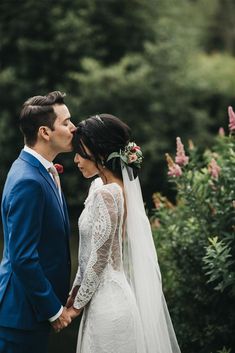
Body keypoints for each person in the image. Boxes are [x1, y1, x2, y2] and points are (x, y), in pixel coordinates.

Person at [66, 113, 181, 353]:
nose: (76, 159)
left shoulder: (107, 194)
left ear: (98, 150)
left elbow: (98, 258)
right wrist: (75, 291)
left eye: (80, 151)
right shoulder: (102, 187)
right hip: (101, 298)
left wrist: (75, 307)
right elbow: (87, 252)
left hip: (110, 305)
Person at [0, 91, 76, 353]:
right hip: (21, 315)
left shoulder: (39, 170)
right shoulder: (28, 181)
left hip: (31, 313)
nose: (73, 128)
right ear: (45, 132)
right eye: (66, 123)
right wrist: (53, 310)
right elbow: (23, 257)